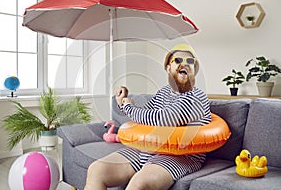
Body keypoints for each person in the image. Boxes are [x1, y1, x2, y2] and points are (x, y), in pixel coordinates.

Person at [84, 44, 211, 190]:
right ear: (168, 68)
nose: (185, 64)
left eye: (190, 62)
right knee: (96, 170)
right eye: (178, 60)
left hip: (180, 156)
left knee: (139, 184)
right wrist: (123, 102)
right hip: (148, 148)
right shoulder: (164, 92)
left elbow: (163, 119)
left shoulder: (196, 97)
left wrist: (129, 108)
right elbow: (144, 114)